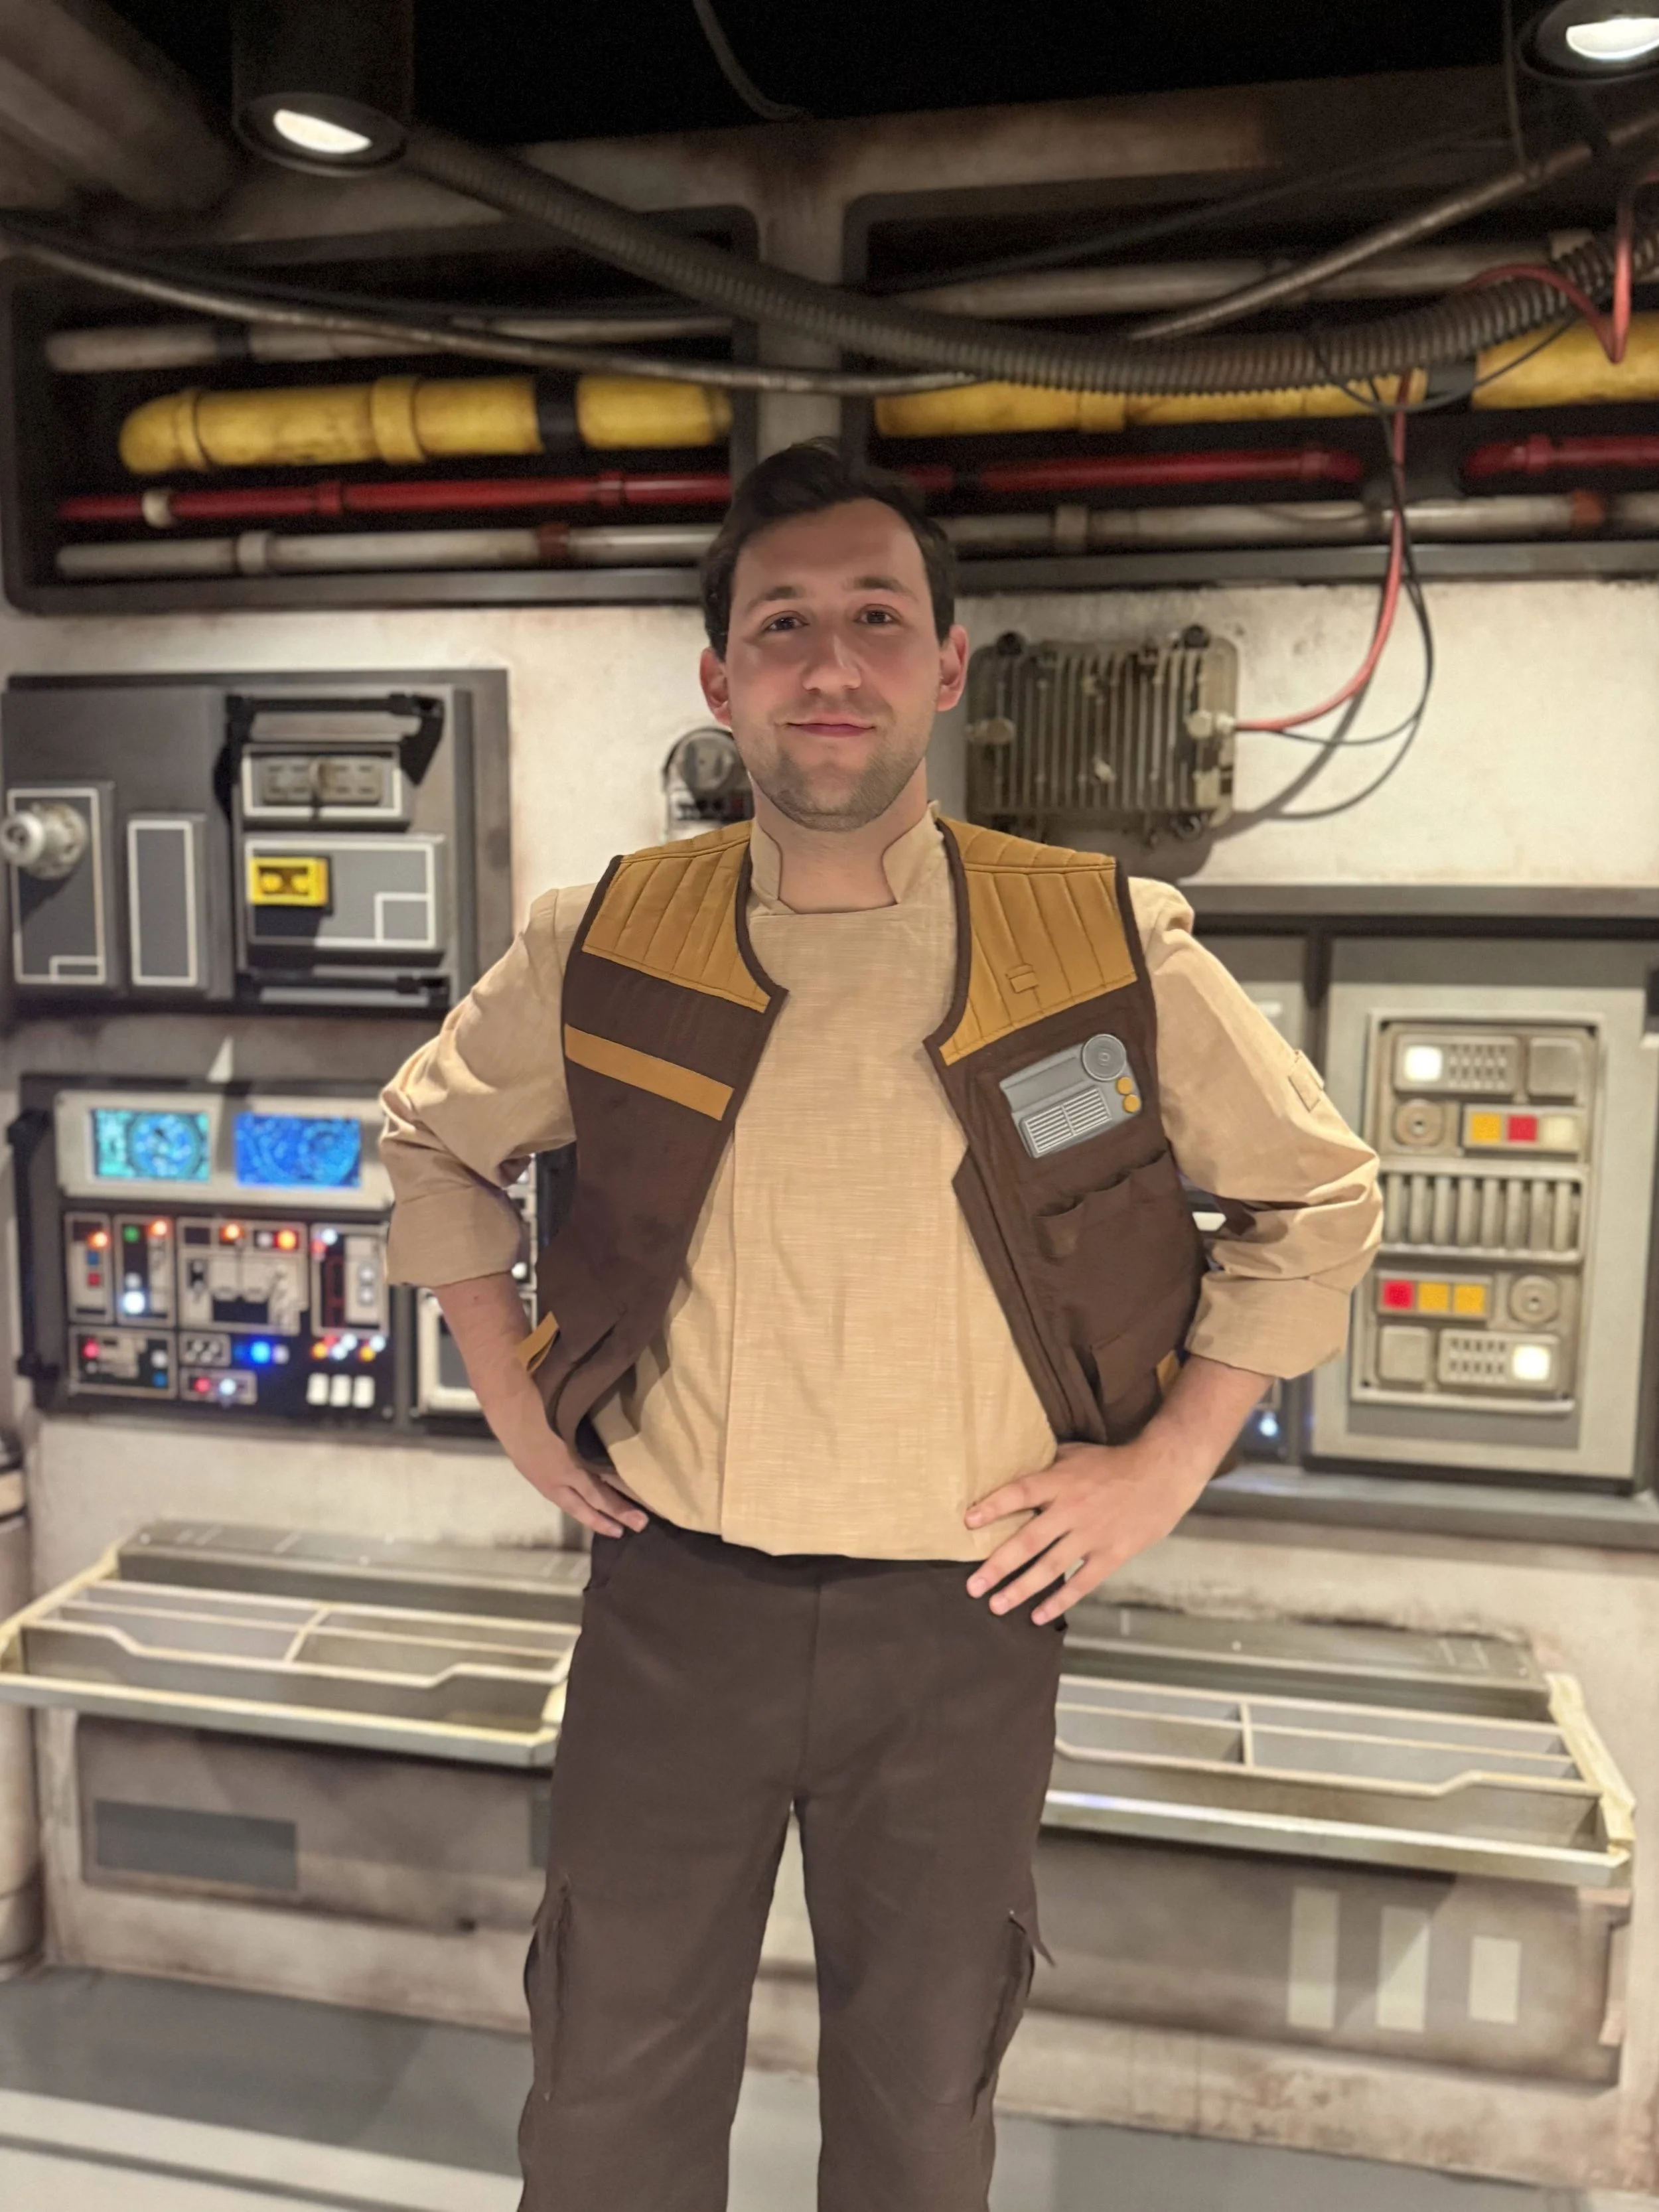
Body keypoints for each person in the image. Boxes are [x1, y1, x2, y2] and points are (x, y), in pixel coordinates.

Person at [380, 440, 1382, 2212]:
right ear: (720, 681)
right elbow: (432, 1138)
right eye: (781, 624)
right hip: (674, 1607)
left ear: (947, 664)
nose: (828, 663)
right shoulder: (608, 940)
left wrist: (1162, 1466)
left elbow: (1314, 1200)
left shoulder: (1096, 947)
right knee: (604, 2099)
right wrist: (513, 1401)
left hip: (961, 1623)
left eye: (874, 617)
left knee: (921, 2115)